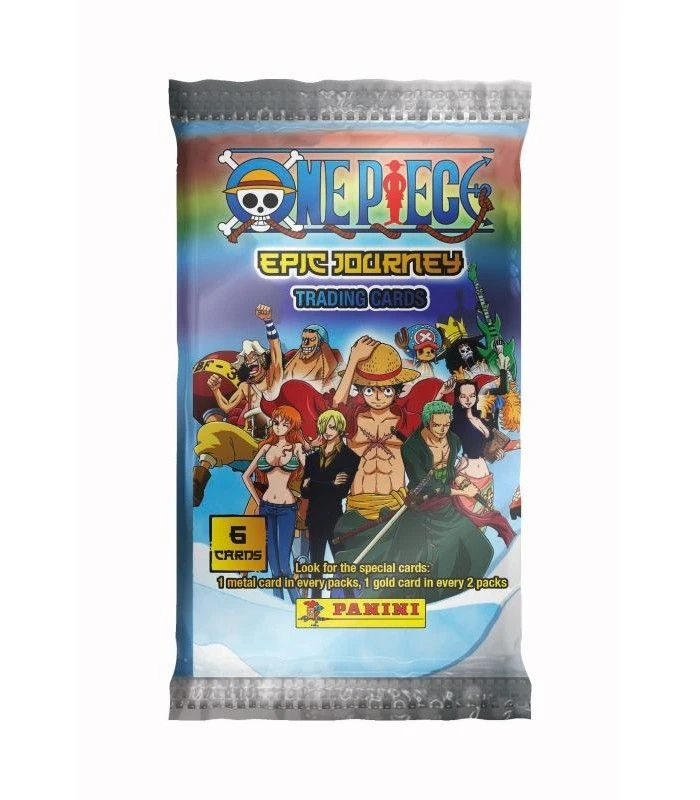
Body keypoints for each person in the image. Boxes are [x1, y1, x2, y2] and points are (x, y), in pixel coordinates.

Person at [242, 406, 306, 602]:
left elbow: (311, 472)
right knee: (274, 567)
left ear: (292, 426)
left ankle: (296, 604)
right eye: (276, 422)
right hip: (267, 507)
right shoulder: (266, 448)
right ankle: (278, 605)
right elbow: (246, 476)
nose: (279, 427)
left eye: (285, 424)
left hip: (287, 508)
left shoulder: (296, 448)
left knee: (285, 566)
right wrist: (258, 501)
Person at [300, 410, 360, 598]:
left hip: (334, 519)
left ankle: (351, 601)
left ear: (340, 429)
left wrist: (313, 483)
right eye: (324, 427)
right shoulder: (311, 458)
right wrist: (330, 483)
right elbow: (304, 491)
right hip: (314, 516)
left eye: (332, 427)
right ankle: (315, 602)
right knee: (315, 565)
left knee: (342, 563)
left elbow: (340, 491)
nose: (327, 431)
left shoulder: (350, 457)